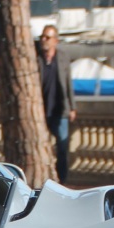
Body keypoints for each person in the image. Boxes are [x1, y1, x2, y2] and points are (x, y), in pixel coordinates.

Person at [38, 25, 76, 183]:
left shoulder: (62, 57)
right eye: (42, 37)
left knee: (62, 146)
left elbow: (68, 83)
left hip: (60, 110)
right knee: (41, 147)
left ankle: (62, 179)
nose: (43, 40)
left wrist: (72, 107)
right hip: (40, 111)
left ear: (55, 41)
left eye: (47, 37)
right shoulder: (36, 57)